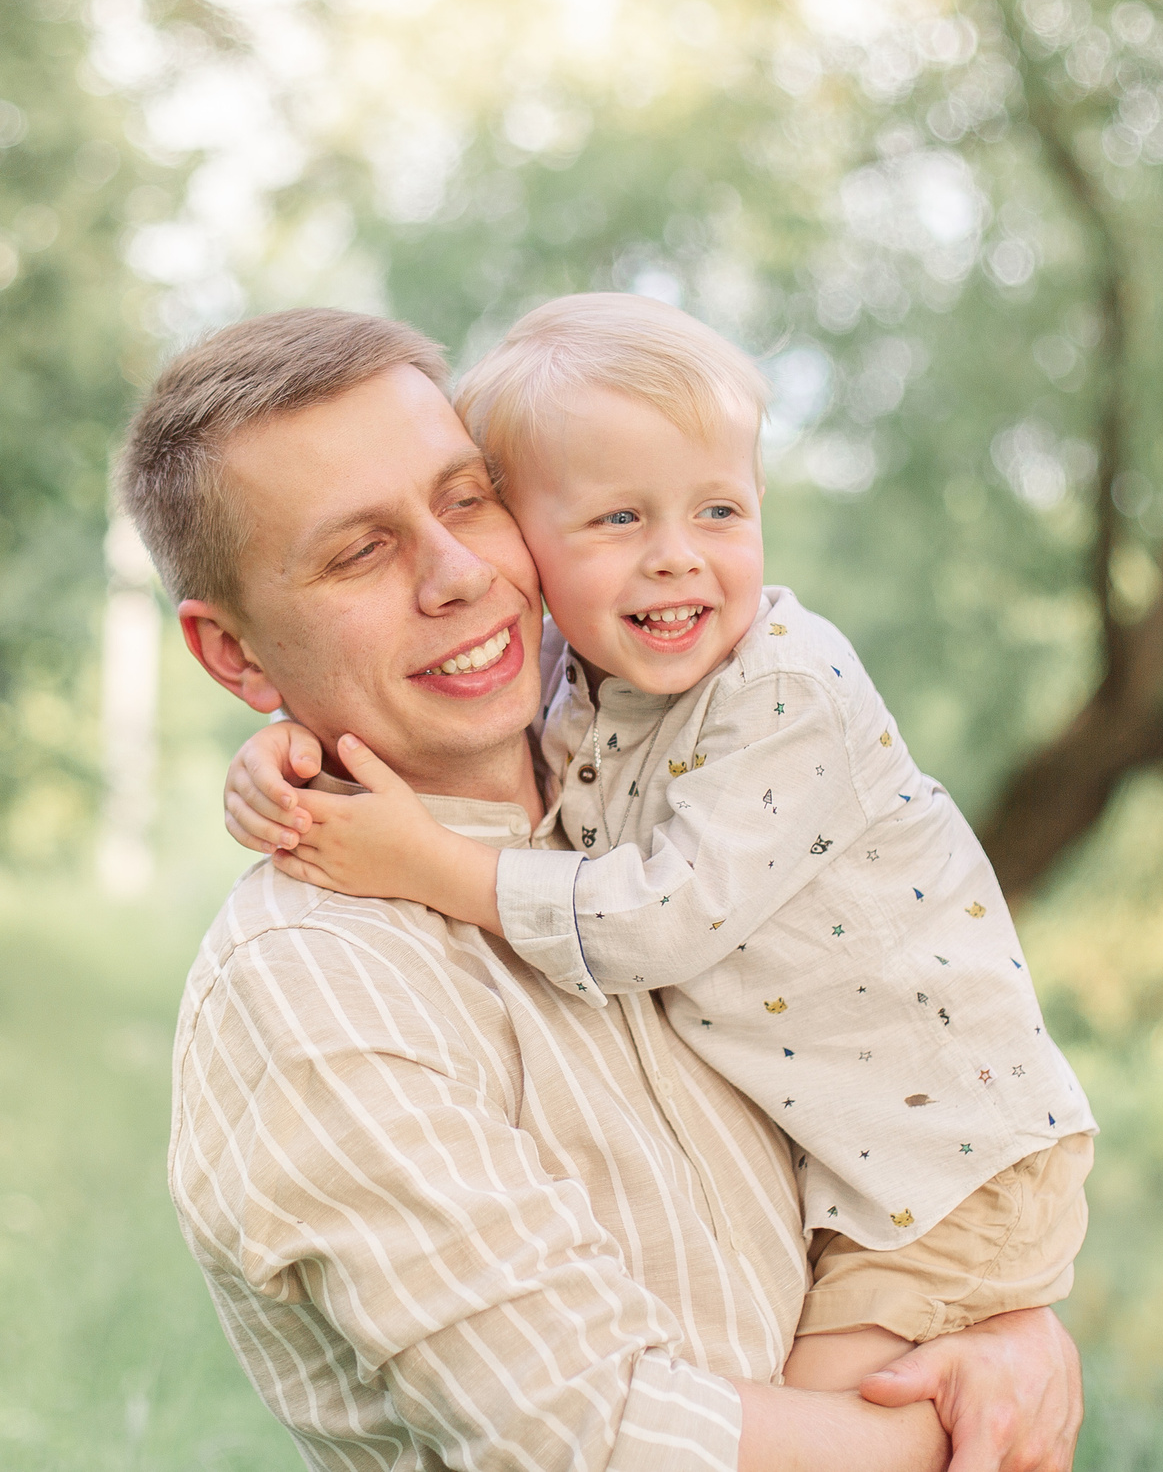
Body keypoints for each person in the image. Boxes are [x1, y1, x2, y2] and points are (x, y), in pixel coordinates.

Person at [120, 306, 1083, 1471]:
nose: (459, 574)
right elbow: (595, 1435)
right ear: (234, 657)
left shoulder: (662, 791)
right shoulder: (317, 987)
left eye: (468, 497)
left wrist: (1011, 1328)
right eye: (359, 551)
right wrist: (955, 1424)